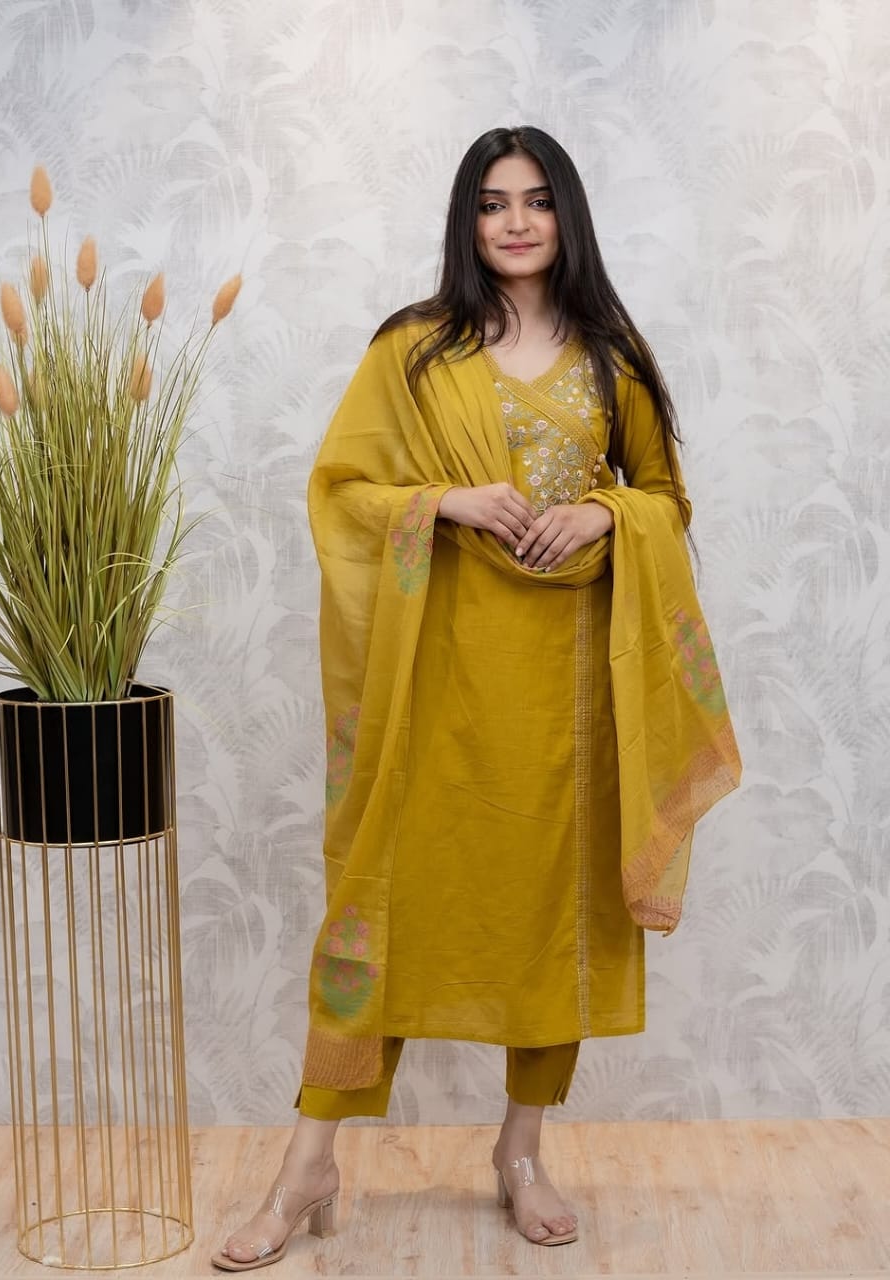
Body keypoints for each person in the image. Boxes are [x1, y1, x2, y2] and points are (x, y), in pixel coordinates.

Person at [212, 125, 741, 1271]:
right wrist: (442, 503)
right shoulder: (413, 349)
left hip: (567, 699)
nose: (514, 221)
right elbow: (341, 489)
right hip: (436, 685)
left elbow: (664, 496)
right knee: (380, 905)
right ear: (466, 219)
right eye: (493, 202)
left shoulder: (611, 356)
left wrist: (604, 512)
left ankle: (521, 1149)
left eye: (536, 200)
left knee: (553, 914)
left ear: (565, 215)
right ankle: (308, 1162)